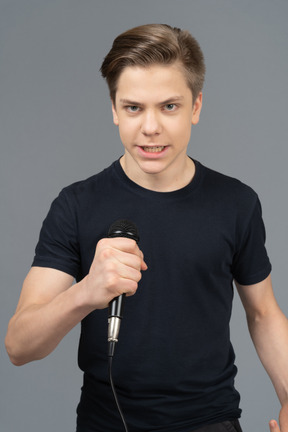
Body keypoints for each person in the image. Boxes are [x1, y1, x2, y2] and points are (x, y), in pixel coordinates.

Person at [5, 24, 288, 432]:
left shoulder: (236, 202)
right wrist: (86, 291)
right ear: (115, 109)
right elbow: (19, 345)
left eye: (169, 107)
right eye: (134, 107)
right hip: (106, 423)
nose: (150, 127)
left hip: (211, 422)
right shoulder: (77, 205)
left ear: (196, 107)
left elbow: (262, 314)